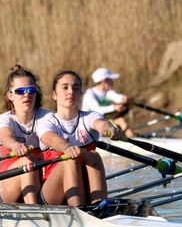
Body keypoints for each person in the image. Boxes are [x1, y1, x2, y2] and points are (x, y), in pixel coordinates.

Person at [36, 70, 122, 206]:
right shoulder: (46, 121)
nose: (71, 92)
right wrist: (67, 148)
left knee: (93, 155)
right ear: (54, 95)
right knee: (71, 160)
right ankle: (79, 211)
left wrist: (110, 129)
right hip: (51, 196)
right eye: (65, 87)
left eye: (76, 88)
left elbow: (101, 124)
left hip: (83, 190)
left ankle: (99, 206)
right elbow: (48, 137)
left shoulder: (89, 117)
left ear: (80, 94)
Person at [0, 64, 50, 204]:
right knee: (28, 161)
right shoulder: (5, 119)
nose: (27, 95)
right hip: (6, 188)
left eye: (31, 90)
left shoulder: (47, 116)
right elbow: (5, 136)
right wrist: (15, 145)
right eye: (20, 91)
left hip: (39, 181)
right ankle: (34, 212)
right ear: (10, 95)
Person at [81, 67, 133, 137]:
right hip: (89, 128)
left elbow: (116, 97)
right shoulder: (89, 93)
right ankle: (131, 139)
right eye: (110, 79)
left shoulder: (107, 92)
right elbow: (97, 109)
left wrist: (123, 98)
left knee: (120, 120)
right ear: (104, 81)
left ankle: (131, 138)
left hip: (101, 124)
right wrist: (114, 107)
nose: (112, 82)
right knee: (119, 121)